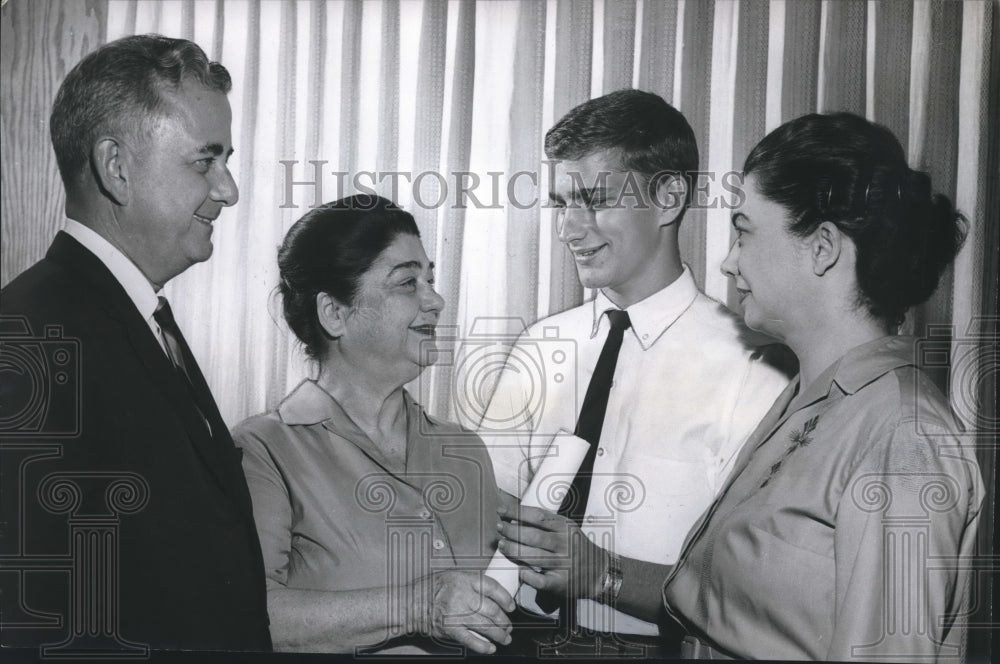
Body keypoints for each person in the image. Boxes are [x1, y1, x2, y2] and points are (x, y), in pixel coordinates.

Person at [661, 112, 984, 661]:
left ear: (822, 247)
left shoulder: (905, 439)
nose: (728, 261)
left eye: (744, 233)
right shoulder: (815, 398)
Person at [482, 89, 794, 656]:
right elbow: (484, 510)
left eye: (595, 200)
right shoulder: (539, 345)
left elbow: (755, 590)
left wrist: (601, 573)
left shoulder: (756, 371)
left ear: (670, 197)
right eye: (561, 204)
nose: (569, 230)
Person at [0, 36, 271, 650]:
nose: (228, 190)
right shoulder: (29, 339)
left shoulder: (138, 318)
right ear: (116, 167)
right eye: (205, 162)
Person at [233, 195, 514, 655]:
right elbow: (248, 612)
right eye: (407, 283)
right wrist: (418, 606)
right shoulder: (263, 448)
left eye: (431, 279)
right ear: (335, 314)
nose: (436, 300)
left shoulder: (464, 449)